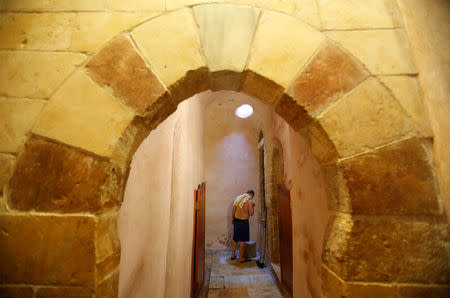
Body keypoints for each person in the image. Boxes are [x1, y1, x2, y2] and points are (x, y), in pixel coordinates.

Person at [231, 190, 255, 262]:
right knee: (243, 240)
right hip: (244, 222)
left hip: (236, 220)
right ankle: (240, 258)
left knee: (235, 238)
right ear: (252, 195)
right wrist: (253, 206)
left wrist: (233, 218)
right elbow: (251, 213)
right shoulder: (250, 201)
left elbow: (233, 210)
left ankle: (233, 255)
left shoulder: (238, 198)